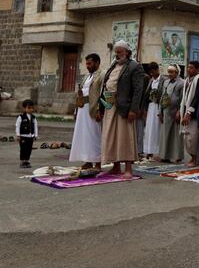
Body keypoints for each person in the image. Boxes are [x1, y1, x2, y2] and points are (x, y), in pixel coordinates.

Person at [100, 40, 145, 179]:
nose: (118, 54)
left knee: (125, 138)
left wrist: (134, 109)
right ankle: (116, 166)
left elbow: (138, 90)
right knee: (112, 137)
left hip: (125, 107)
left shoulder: (134, 66)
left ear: (127, 52)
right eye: (116, 52)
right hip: (110, 105)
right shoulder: (113, 65)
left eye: (120, 52)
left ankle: (128, 169)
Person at [70, 54, 103, 170]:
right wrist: (76, 110)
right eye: (87, 64)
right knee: (84, 136)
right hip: (82, 109)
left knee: (95, 135)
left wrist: (100, 109)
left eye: (90, 63)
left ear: (97, 63)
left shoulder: (101, 75)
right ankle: (88, 161)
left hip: (93, 109)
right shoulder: (86, 77)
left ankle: (98, 163)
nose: (87, 66)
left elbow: (102, 94)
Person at [159, 65, 185, 163]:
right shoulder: (166, 82)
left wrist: (179, 111)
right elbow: (162, 97)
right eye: (168, 72)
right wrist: (159, 112)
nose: (169, 74)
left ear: (177, 72)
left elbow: (183, 99)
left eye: (172, 72)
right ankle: (164, 156)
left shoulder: (181, 83)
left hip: (176, 112)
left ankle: (177, 156)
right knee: (165, 134)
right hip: (166, 111)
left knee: (176, 136)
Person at [179, 60, 199, 166]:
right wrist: (181, 111)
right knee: (186, 137)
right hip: (185, 111)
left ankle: (195, 159)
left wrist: (189, 113)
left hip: (194, 113)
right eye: (188, 67)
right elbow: (184, 98)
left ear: (197, 69)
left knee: (193, 138)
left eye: (191, 68)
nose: (189, 69)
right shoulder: (187, 80)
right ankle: (192, 158)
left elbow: (197, 97)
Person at [142, 62, 165, 161]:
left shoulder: (163, 80)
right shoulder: (151, 80)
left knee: (157, 129)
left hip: (158, 106)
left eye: (153, 71)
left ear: (157, 70)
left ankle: (158, 152)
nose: (152, 74)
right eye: (150, 72)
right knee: (149, 130)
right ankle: (149, 151)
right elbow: (146, 95)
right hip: (151, 106)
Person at [15, 99, 38, 169]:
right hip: (23, 136)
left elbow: (35, 126)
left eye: (32, 108)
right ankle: (22, 161)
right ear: (24, 108)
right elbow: (17, 126)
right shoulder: (21, 117)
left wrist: (35, 135)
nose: (31, 109)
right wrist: (18, 135)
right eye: (29, 108)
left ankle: (27, 160)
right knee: (23, 149)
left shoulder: (33, 118)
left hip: (30, 136)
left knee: (29, 149)